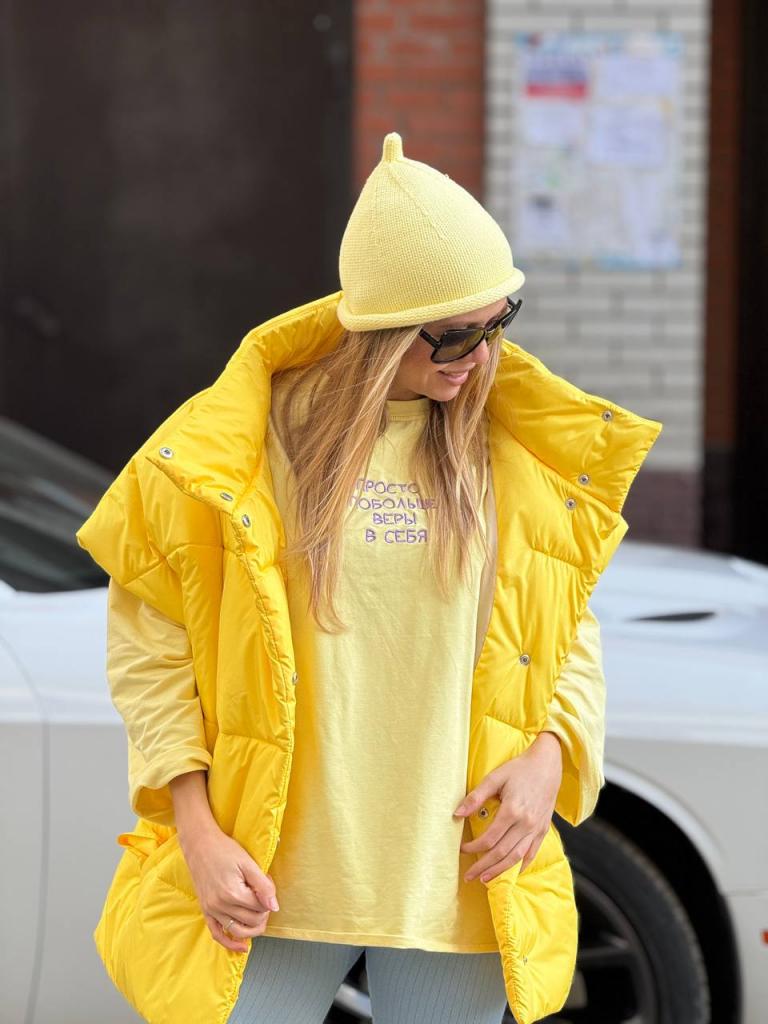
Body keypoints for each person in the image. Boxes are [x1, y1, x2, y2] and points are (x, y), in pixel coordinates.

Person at [77, 131, 662, 1024]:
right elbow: (152, 649)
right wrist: (194, 828)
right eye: (456, 333)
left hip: (459, 875)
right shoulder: (237, 448)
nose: (481, 353)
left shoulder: (510, 449)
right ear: (384, 330)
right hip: (268, 875)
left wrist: (552, 754)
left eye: (500, 321)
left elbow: (564, 628)